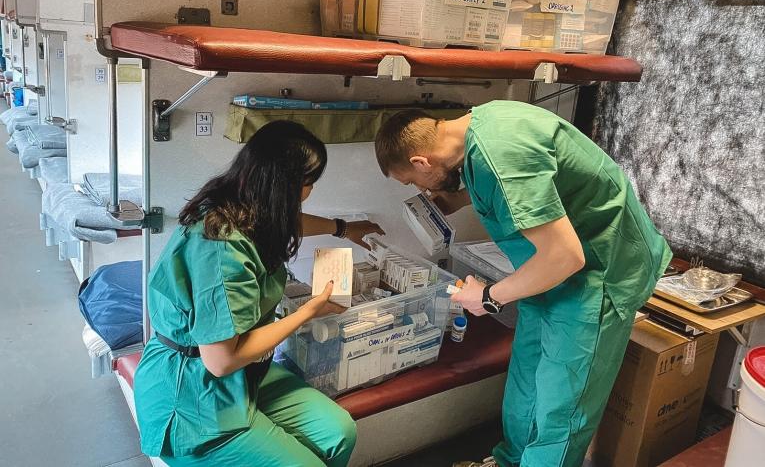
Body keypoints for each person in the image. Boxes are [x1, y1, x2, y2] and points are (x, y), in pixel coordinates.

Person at [374, 100, 672, 467]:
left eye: (412, 182)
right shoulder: (476, 129)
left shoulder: (502, 155)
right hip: (543, 274)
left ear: (421, 162)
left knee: (561, 407)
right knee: (526, 381)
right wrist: (460, 199)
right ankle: (510, 461)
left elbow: (566, 257)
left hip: (596, 274)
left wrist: (487, 296)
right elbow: (523, 187)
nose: (419, 189)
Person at [134, 120, 383, 466]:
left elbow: (285, 221)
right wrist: (307, 312)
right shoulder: (221, 250)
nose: (308, 192)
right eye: (307, 183)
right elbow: (220, 362)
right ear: (283, 186)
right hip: (193, 397)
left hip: (246, 376)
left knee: (340, 432)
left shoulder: (240, 201)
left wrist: (343, 229)